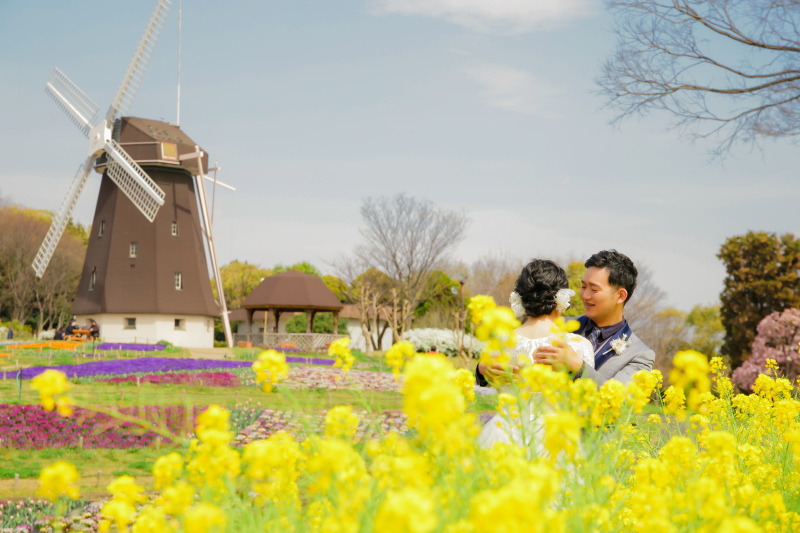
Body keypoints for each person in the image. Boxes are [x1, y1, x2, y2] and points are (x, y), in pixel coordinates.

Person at [476, 250, 655, 387]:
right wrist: (482, 370)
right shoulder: (558, 324)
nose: (584, 295)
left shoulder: (639, 354)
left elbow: (622, 404)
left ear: (620, 296)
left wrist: (579, 368)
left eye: (594, 289)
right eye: (583, 286)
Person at [476, 259, 595, 449]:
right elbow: (587, 403)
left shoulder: (500, 343)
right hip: (555, 437)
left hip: (504, 433)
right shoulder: (577, 345)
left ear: (520, 298)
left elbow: (485, 382)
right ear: (562, 298)